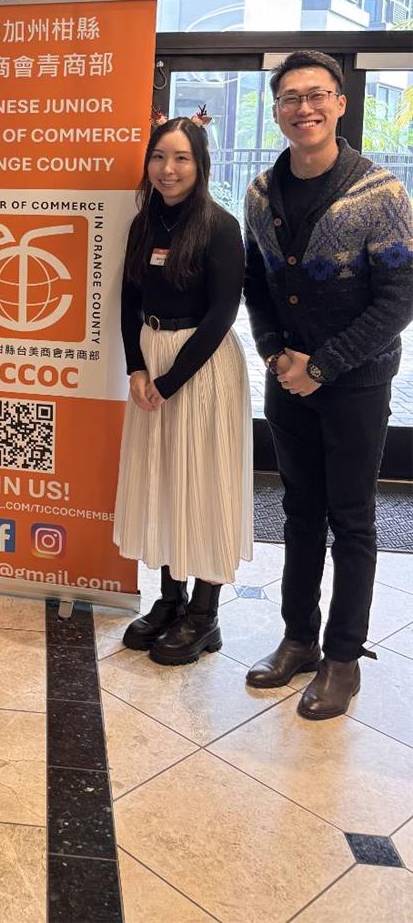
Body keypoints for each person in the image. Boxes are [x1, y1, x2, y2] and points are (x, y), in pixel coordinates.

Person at [243, 49, 413, 718]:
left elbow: (398, 299)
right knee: (298, 510)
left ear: (340, 103)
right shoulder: (261, 192)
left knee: (353, 517)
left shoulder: (381, 193)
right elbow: (256, 283)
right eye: (290, 97)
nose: (303, 107)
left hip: (356, 383)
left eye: (316, 94)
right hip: (287, 376)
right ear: (277, 109)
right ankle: (298, 639)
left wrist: (321, 365)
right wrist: (273, 352)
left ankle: (343, 658)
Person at [114, 115, 252, 665]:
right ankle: (170, 600)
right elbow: (128, 299)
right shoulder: (144, 222)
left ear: (200, 166)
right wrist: (138, 369)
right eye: (159, 158)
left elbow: (223, 313)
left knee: (205, 481)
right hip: (152, 362)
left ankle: (204, 614)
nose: (168, 170)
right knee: (165, 480)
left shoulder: (220, 226)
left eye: (181, 159)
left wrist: (170, 380)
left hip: (202, 366)